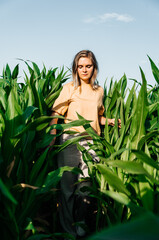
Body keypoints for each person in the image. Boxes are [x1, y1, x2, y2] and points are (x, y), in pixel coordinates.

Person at [49, 50, 121, 238]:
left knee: (85, 189)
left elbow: (96, 116)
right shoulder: (69, 88)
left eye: (88, 66)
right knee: (67, 189)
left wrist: (110, 121)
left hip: (92, 143)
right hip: (70, 141)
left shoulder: (99, 91)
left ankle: (81, 229)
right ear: (75, 68)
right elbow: (57, 112)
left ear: (94, 67)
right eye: (80, 66)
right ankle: (68, 232)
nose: (84, 69)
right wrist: (51, 135)